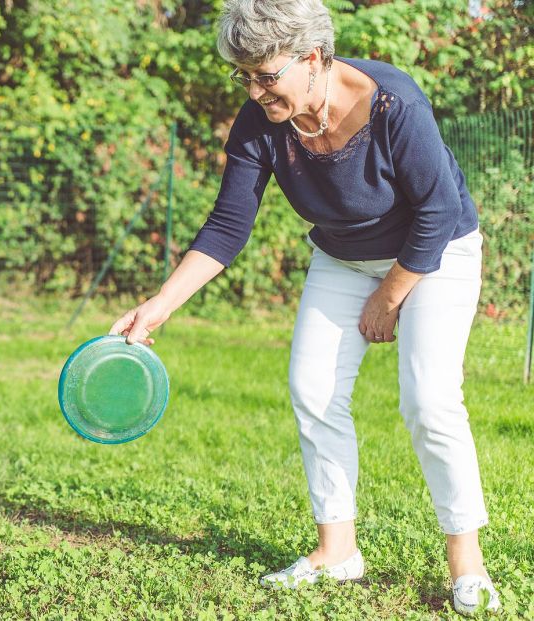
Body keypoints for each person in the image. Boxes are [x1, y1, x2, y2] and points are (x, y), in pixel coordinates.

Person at [109, 0, 499, 615]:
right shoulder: (262, 123)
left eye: (266, 76)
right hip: (344, 256)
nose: (255, 90)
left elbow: (438, 208)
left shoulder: (394, 103)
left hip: (434, 252)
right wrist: (160, 305)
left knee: (430, 401)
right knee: (312, 390)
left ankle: (467, 563)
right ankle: (336, 551)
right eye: (244, 76)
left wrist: (390, 297)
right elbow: (227, 225)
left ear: (313, 57)